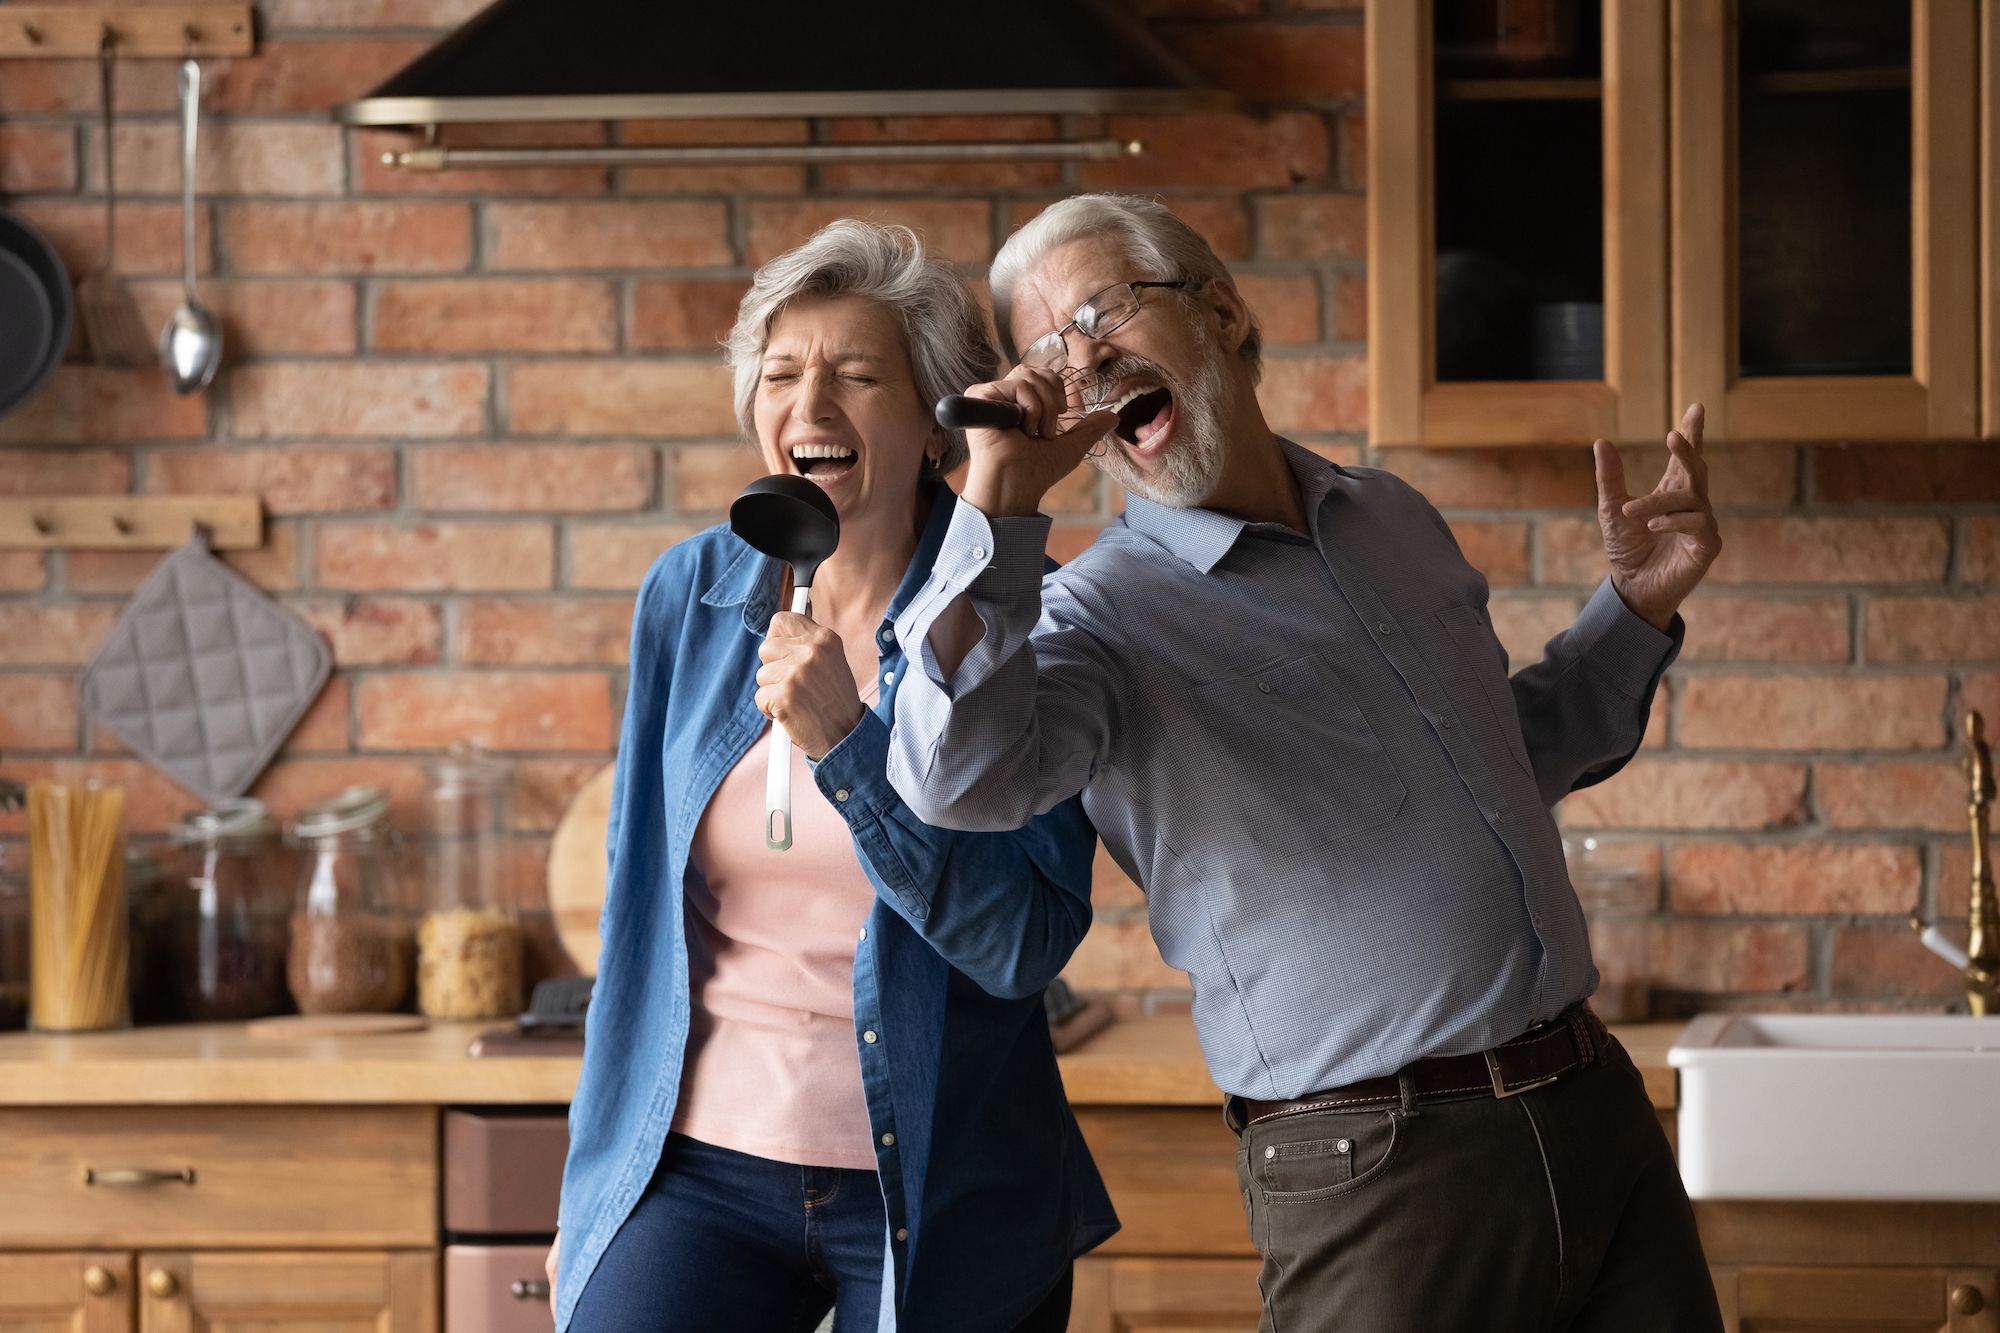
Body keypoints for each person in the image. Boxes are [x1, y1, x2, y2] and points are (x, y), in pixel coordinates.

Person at [885, 193, 1726, 1333]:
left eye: (1102, 311)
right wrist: (995, 500)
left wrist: (1629, 609)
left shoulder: (1389, 518)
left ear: (1221, 311)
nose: (1080, 360)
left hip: (1591, 1108)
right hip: (1377, 1170)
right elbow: (951, 778)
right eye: (1045, 350)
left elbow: (1506, 763)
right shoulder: (1090, 617)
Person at [550, 219, 1115, 1333]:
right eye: (780, 375)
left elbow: (1022, 945)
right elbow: (636, 892)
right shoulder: (691, 594)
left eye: (856, 376)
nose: (808, 409)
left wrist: (846, 745)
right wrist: (598, 1176)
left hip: (942, 1184)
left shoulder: (1025, 610)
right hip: (695, 1168)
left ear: (932, 421)